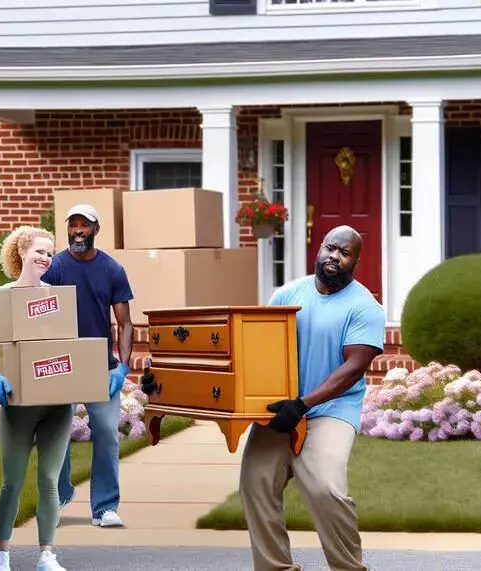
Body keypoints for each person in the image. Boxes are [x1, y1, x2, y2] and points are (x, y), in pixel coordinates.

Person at [145, 225, 385, 571]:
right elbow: (247, 350)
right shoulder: (287, 295)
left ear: (356, 261)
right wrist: (164, 377)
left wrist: (302, 404)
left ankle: (349, 568)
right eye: (330, 248)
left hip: (330, 410)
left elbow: (353, 368)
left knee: (325, 487)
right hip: (277, 408)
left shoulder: (365, 307)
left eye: (344, 253)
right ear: (319, 248)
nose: (334, 257)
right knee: (255, 482)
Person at [0, 225, 71, 571]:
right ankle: (2, 553)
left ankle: (47, 554)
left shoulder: (57, 299)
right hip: (16, 404)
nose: (45, 258)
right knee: (12, 481)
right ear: (21, 252)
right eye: (39, 252)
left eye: (50, 253)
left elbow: (70, 345)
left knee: (49, 480)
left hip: (56, 405)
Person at [40, 203, 134, 528]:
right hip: (62, 364)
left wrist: (122, 367)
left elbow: (125, 323)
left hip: (100, 366)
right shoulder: (54, 268)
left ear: (96, 229)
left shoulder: (112, 269)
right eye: (73, 225)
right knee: (57, 434)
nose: (78, 230)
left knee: (107, 433)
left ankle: (105, 507)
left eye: (84, 225)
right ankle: (58, 497)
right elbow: (35, 312)